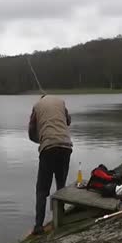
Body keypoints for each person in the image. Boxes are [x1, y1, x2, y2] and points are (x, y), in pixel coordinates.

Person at [28, 95, 73, 235]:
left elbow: (31, 131)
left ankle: (38, 226)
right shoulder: (61, 102)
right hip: (66, 146)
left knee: (41, 189)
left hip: (48, 148)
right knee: (60, 183)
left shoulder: (36, 106)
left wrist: (40, 140)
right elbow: (68, 121)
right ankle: (61, 216)